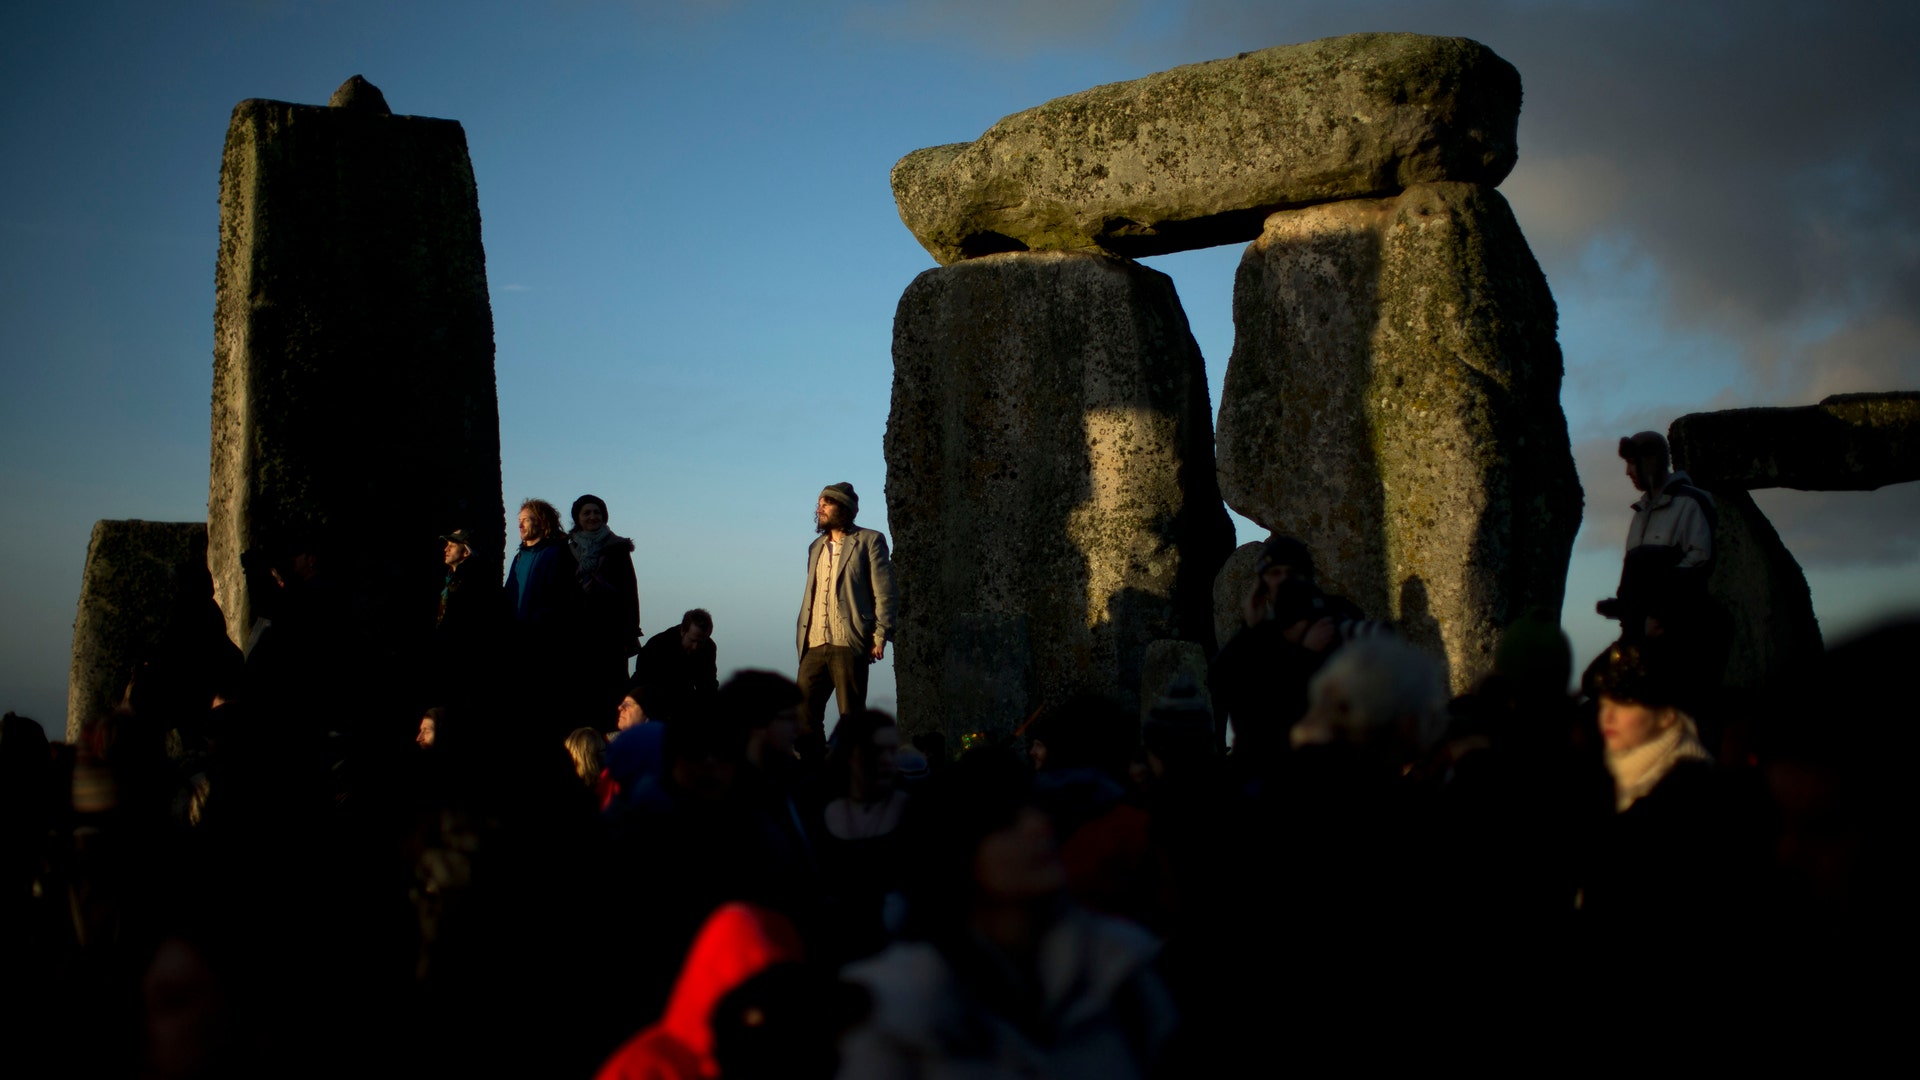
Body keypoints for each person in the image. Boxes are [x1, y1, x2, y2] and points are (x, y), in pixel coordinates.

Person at [838, 750, 1174, 1078]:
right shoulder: (895, 1003)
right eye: (1005, 821)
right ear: (955, 852)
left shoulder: (1122, 968)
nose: (1039, 827)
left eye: (1037, 810)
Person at [794, 483, 896, 761]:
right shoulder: (815, 547)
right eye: (819, 503)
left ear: (844, 508)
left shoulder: (870, 540)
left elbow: (884, 591)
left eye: (826, 503)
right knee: (803, 713)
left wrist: (880, 634)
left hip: (848, 641)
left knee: (851, 717)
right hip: (813, 642)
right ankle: (812, 772)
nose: (820, 508)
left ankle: (851, 772)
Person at [1596, 431, 1716, 637]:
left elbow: (1699, 563)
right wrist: (1623, 606)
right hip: (1638, 631)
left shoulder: (1690, 503)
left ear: (1652, 460)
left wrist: (1659, 612)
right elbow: (1634, 575)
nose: (1627, 471)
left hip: (1677, 634)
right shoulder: (1640, 512)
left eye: (1632, 462)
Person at [815, 709, 911, 961]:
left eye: (893, 750)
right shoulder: (813, 812)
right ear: (850, 754)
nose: (888, 760)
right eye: (877, 751)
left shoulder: (917, 812)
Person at [504, 499, 582, 734]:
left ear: (541, 521)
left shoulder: (557, 554)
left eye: (525, 520)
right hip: (518, 641)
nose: (520, 525)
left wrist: (542, 625)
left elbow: (563, 600)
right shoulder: (519, 558)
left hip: (544, 644)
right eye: (518, 521)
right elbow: (509, 595)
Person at [569, 494, 642, 711]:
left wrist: (630, 631)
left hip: (611, 632)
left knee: (612, 692)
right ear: (578, 518)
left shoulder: (617, 548)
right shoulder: (568, 550)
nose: (593, 517)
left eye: (597, 512)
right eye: (587, 513)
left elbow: (630, 591)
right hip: (577, 631)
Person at [635, 609, 718, 722]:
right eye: (692, 640)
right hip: (651, 695)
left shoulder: (708, 648)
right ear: (683, 631)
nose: (695, 647)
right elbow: (644, 680)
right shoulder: (658, 645)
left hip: (684, 698)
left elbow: (708, 685)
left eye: (701, 642)